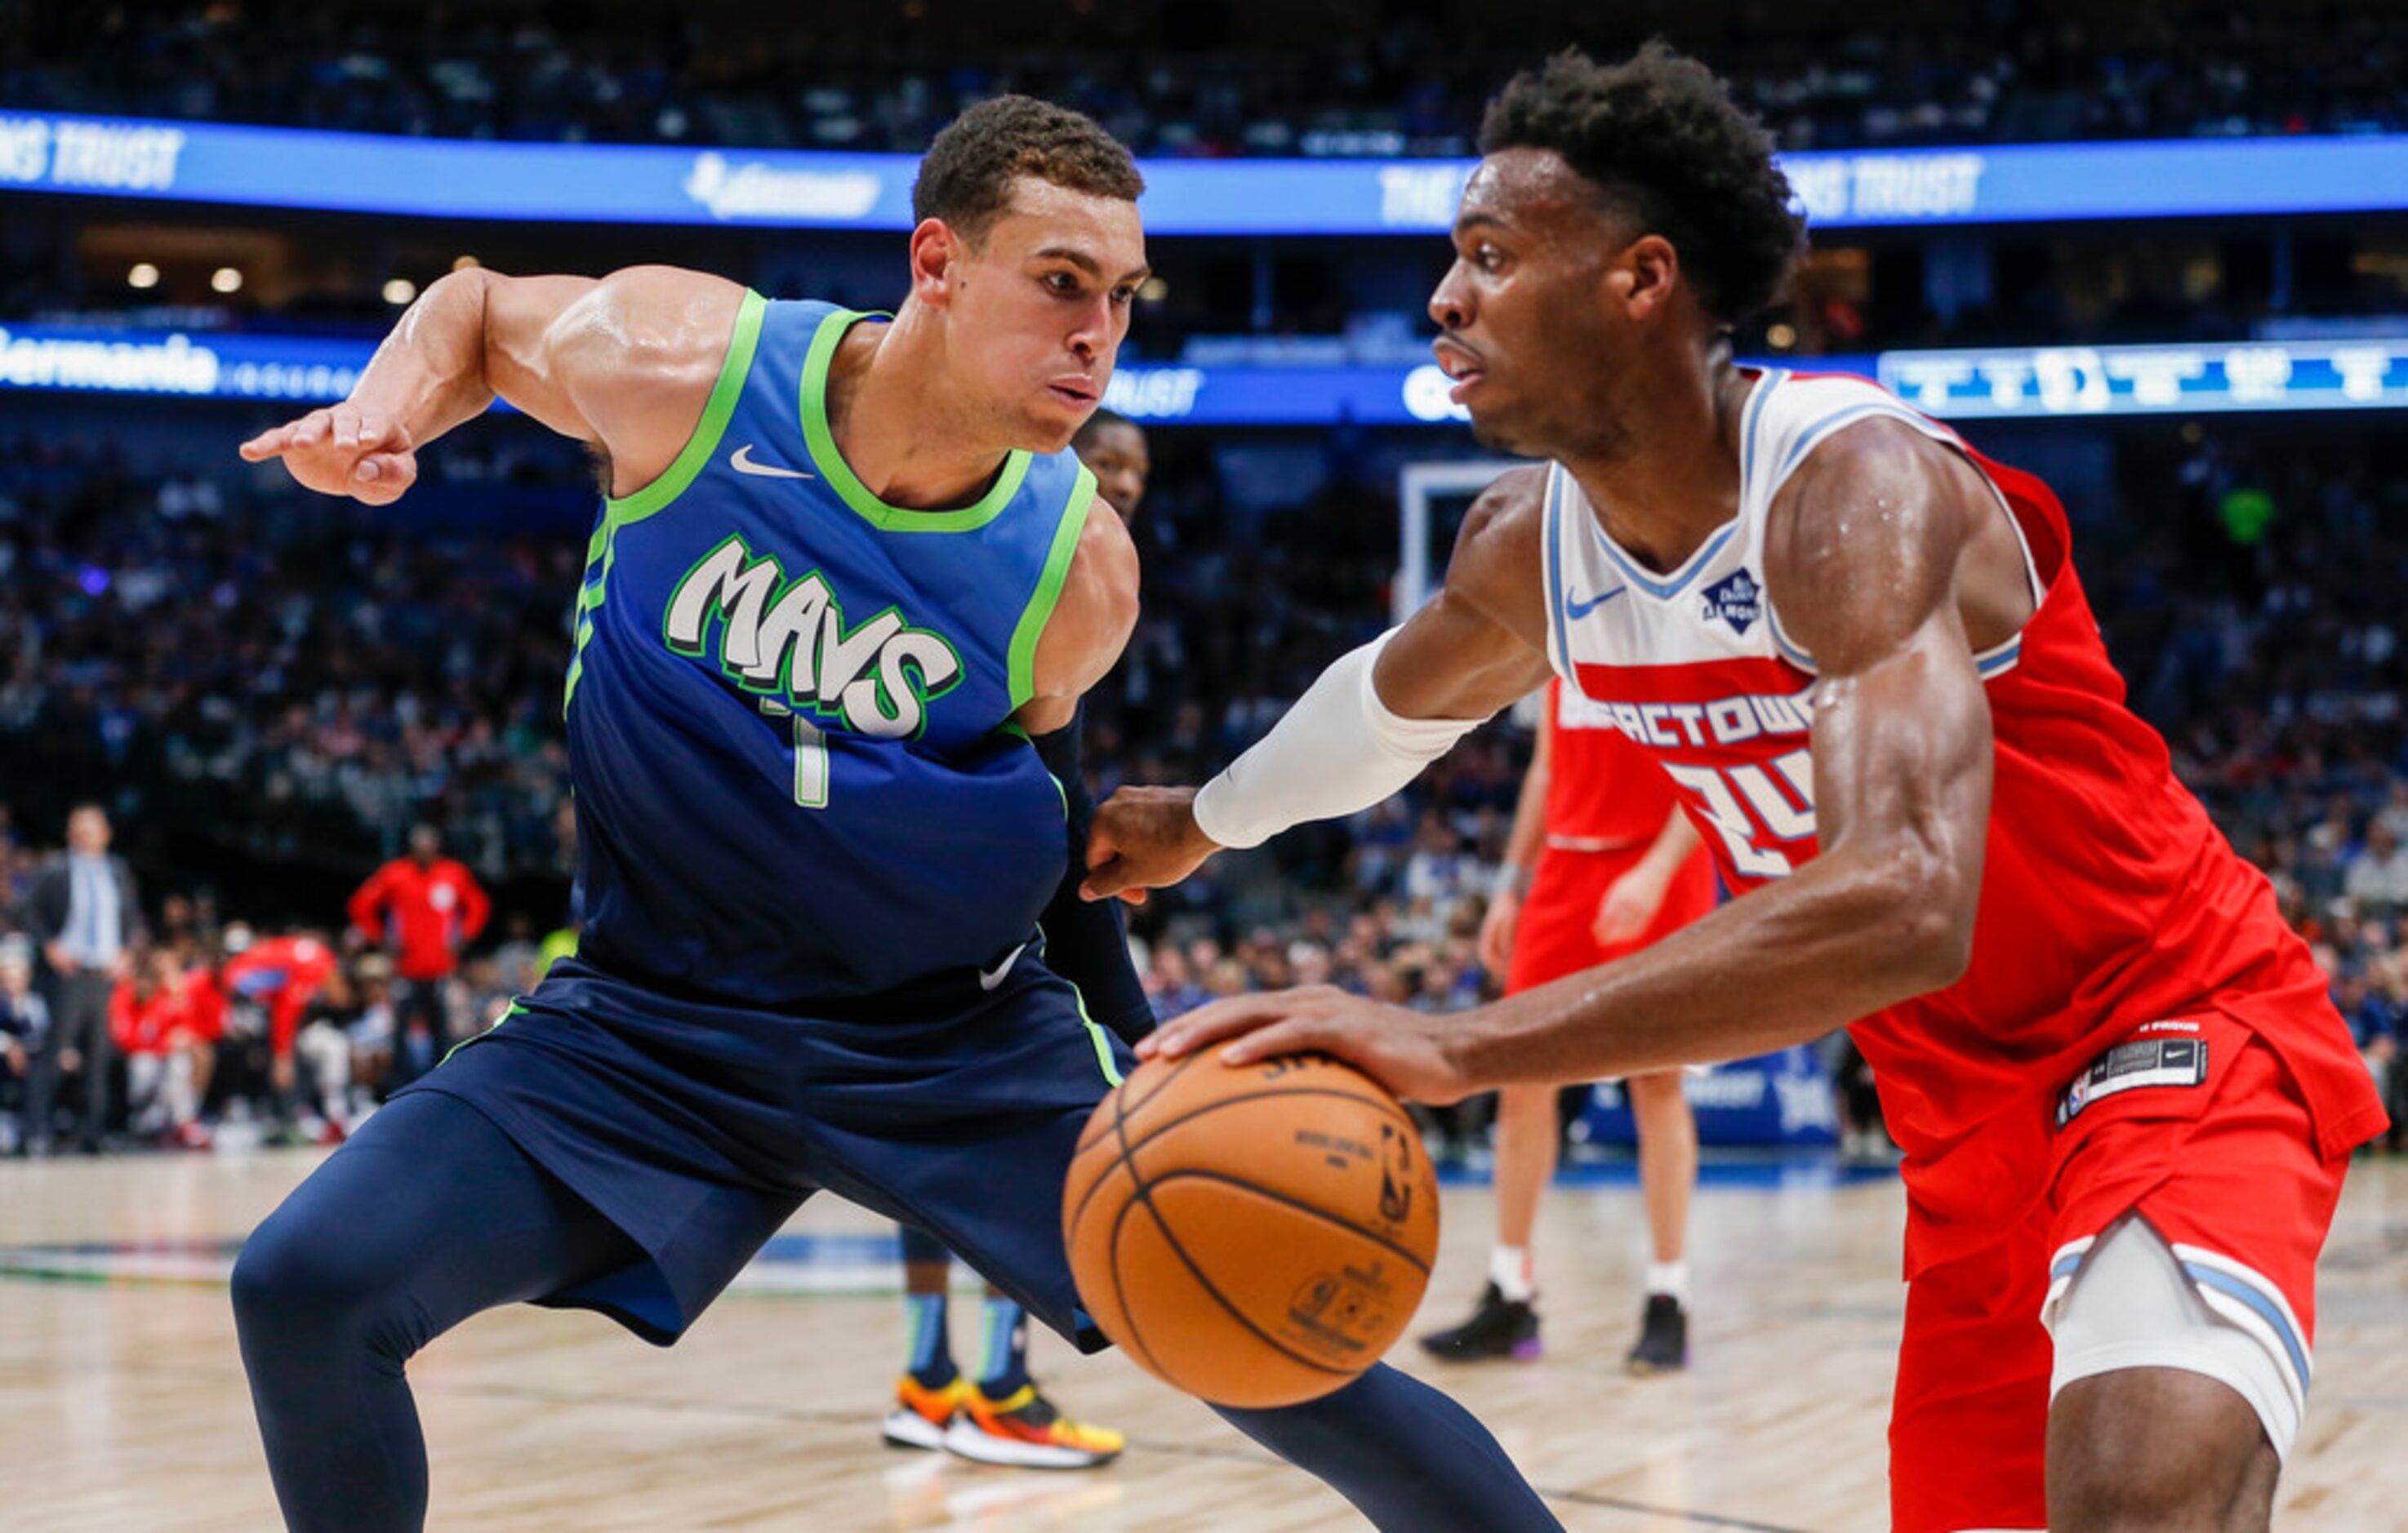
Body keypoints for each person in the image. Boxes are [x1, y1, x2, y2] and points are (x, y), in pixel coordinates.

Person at [1083, 46, 2387, 1533]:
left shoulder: (1848, 488)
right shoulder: (1528, 546)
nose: (1445, 298)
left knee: (2131, 1502)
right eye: (1451, 259)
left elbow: (1904, 902)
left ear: (1641, 281)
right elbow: (1386, 710)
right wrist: (1198, 821)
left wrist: (1455, 1042)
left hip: (2165, 1023)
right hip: (1952, 1112)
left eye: (1492, 258)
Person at [228, 96, 1557, 1533]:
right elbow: (477, 309)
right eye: (1058, 282)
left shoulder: (1075, 569)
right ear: (935, 261)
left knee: (1287, 1348)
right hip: (648, 1024)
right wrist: (382, 416)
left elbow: (1054, 842)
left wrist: (1140, 1056)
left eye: (1118, 297)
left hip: (949, 1042)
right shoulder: (686, 367)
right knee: (305, 1282)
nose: (1096, 332)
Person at [884, 407, 1153, 1469]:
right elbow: (1054, 799)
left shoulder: (1016, 564)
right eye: (1109, 460)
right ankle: (995, 1384)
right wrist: (1126, 1012)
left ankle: (929, 1376)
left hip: (900, 900)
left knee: (927, 1161)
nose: (1125, 480)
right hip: (950, 904)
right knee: (1024, 1147)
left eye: (1138, 468)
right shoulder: (1029, 572)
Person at [1418, 676, 1712, 1372]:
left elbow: (1708, 774)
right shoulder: (1565, 643)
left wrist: (1657, 871)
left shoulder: (1675, 636)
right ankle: (1510, 1293)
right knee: (1519, 1081)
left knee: (1656, 1085)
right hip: (1565, 868)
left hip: (1658, 865)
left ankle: (1667, 1299)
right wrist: (1509, 886)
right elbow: (1546, 770)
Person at [23, 803, 145, 1153]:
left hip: (105, 972)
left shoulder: (117, 870)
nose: (84, 834)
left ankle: (93, 1132)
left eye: (91, 827)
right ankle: (37, 1130)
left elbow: (132, 917)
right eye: (78, 827)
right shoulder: (55, 869)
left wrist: (127, 952)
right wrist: (49, 946)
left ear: (105, 833)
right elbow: (26, 910)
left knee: (99, 1056)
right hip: (69, 972)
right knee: (53, 1052)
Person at [346, 824, 489, 1082]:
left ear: (437, 847)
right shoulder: (395, 874)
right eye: (419, 848)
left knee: (443, 1033)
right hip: (406, 969)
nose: (425, 853)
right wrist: (382, 938)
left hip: (441, 968)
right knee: (401, 1033)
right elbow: (361, 906)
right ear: (412, 849)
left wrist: (463, 936)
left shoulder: (453, 874)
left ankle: (444, 1086)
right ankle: (398, 1089)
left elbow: (479, 906)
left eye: (429, 847)